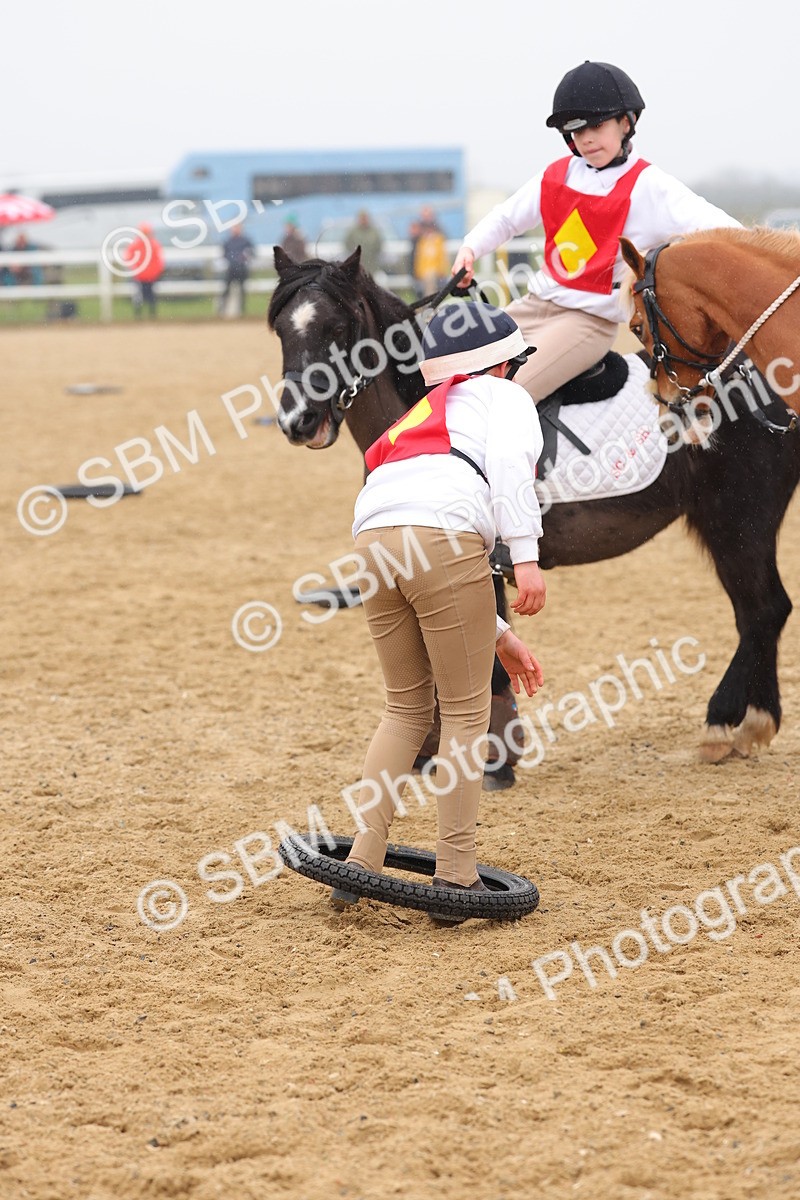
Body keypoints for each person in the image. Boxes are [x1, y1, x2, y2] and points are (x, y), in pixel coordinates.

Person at [331, 302, 547, 917]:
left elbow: (412, 526)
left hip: (373, 541)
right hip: (444, 541)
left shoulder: (415, 417)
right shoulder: (504, 399)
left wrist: (498, 631)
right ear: (502, 363)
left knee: (403, 707)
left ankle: (361, 865)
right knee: (463, 712)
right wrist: (525, 557)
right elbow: (507, 476)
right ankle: (454, 877)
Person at [451, 61, 741, 403]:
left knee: (503, 396)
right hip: (535, 305)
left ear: (626, 122)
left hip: (588, 324)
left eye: (597, 125)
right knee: (454, 369)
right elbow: (506, 219)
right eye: (576, 130)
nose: (586, 138)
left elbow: (727, 233)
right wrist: (470, 249)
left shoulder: (652, 187)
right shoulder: (555, 175)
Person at [124, 222, 164, 318]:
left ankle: (151, 315)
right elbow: (129, 258)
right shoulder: (138, 245)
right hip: (140, 276)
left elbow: (159, 261)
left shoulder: (153, 245)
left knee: (150, 296)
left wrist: (155, 272)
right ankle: (140, 316)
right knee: (140, 296)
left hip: (150, 276)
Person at [412, 206, 449, 299]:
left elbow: (441, 256)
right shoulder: (420, 239)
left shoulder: (437, 238)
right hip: (424, 272)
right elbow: (419, 257)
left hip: (434, 272)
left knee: (430, 281)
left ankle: (430, 305)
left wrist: (441, 270)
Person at [219, 223, 254, 316]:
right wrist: (233, 259)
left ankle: (242, 311)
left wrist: (244, 258)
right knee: (226, 290)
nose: (235, 230)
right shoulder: (228, 241)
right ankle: (222, 310)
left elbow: (252, 252)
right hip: (231, 269)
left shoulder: (245, 241)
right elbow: (224, 254)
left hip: (242, 269)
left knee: (242, 291)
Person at [344, 210, 384, 276]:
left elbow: (379, 245)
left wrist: (372, 253)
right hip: (357, 265)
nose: (364, 220)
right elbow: (347, 244)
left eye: (365, 218)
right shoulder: (353, 232)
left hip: (372, 265)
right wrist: (355, 254)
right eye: (362, 218)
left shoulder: (374, 231)